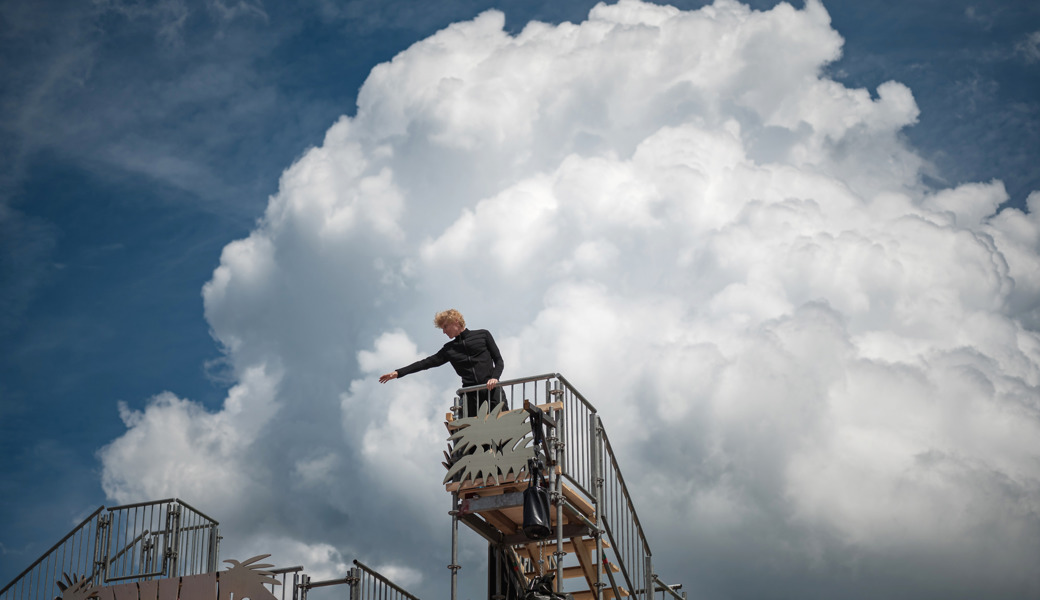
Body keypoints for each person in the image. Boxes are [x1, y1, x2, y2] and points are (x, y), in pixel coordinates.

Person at [379, 309, 507, 417]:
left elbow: (499, 361)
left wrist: (495, 378)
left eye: (445, 326)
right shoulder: (449, 349)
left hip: (492, 390)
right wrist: (398, 373)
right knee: (474, 435)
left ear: (455, 321)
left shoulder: (483, 335)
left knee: (504, 427)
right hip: (471, 397)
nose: (443, 332)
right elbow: (425, 363)